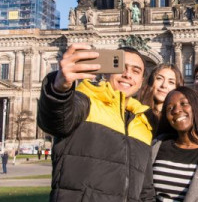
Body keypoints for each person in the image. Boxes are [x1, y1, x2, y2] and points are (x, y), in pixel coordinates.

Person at [37, 44, 155, 201]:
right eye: (120, 66)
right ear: (106, 72)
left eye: (136, 71)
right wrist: (59, 89)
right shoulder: (85, 100)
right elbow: (57, 120)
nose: (127, 74)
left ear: (141, 82)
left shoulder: (142, 124)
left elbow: (145, 190)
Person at [139, 63, 183, 132]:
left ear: (177, 88)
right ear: (151, 82)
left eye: (171, 82)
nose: (164, 85)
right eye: (159, 79)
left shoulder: (181, 118)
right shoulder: (136, 112)